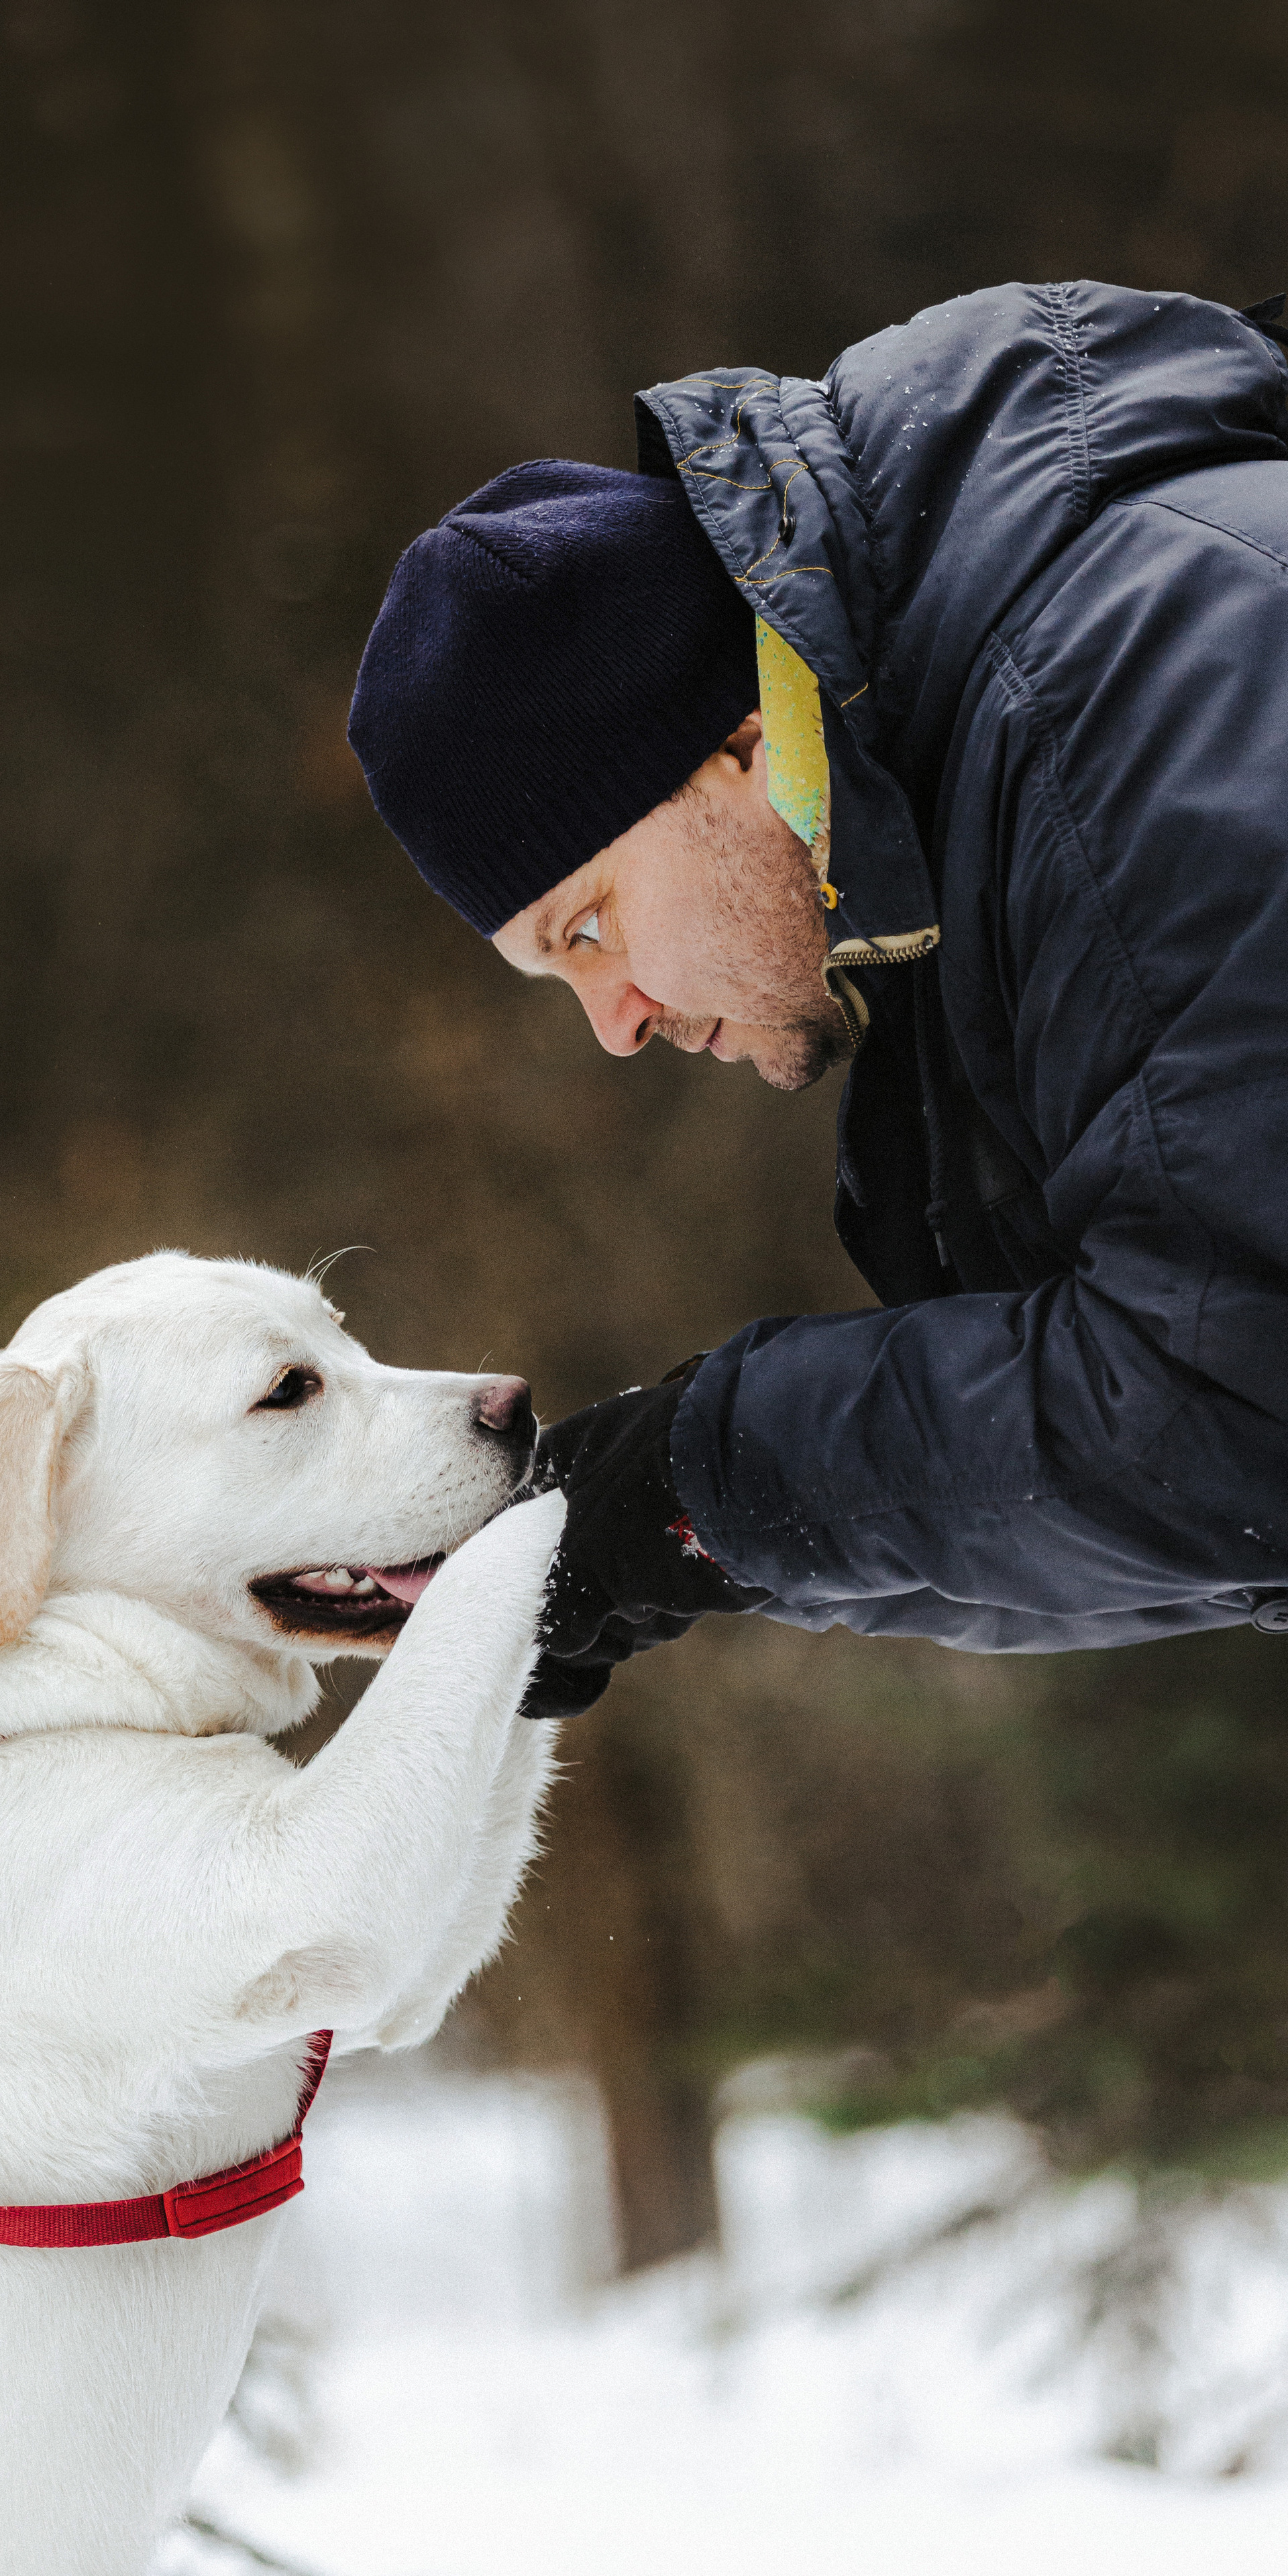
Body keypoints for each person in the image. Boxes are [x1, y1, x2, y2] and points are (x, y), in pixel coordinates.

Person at [346, 279, 1288, 1718]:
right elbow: (1208, 1516)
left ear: (736, 748)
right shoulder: (1022, 766)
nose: (616, 1024)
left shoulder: (1139, 704)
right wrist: (675, 1531)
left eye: (588, 926)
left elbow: (1238, 1417)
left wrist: (692, 1485)